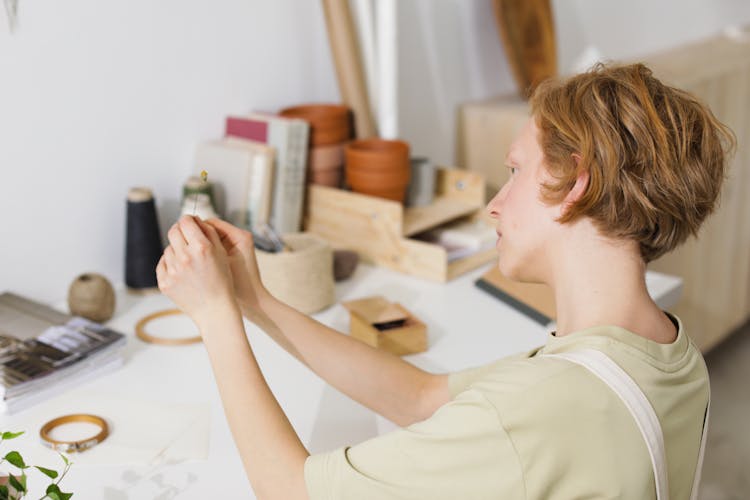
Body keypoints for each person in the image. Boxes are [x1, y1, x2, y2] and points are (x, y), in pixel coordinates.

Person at [156, 63, 735, 499]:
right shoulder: (666, 351)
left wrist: (214, 317)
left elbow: (290, 490)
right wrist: (254, 300)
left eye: (513, 171)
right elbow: (420, 397)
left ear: (575, 181)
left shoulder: (541, 406)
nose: (495, 204)